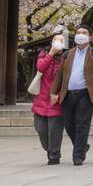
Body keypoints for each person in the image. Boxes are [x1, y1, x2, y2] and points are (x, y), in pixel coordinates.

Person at [50, 26, 93, 166]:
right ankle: (82, 146)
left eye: (84, 33)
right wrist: (53, 92)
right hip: (68, 94)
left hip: (85, 94)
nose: (81, 35)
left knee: (82, 125)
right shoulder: (67, 54)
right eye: (78, 33)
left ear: (90, 37)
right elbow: (59, 75)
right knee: (69, 124)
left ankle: (78, 156)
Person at [32, 33, 66, 164]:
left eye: (61, 41)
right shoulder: (44, 54)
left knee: (54, 131)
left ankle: (54, 155)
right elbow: (40, 68)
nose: (58, 42)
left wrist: (59, 94)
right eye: (56, 40)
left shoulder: (66, 57)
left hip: (56, 100)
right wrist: (50, 53)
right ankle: (49, 149)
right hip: (41, 98)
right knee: (40, 129)